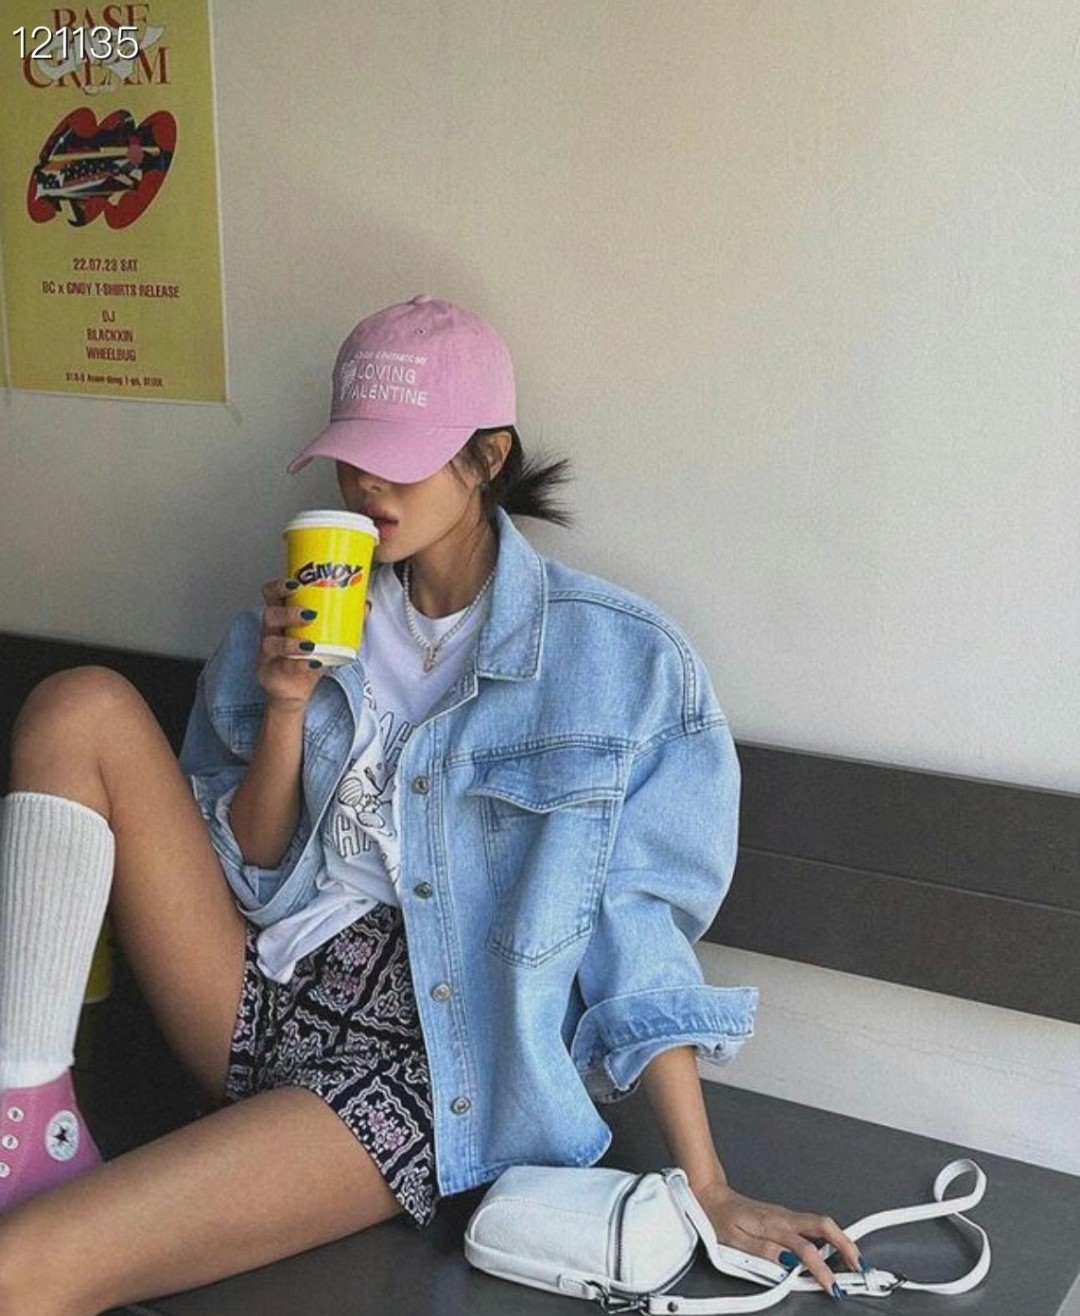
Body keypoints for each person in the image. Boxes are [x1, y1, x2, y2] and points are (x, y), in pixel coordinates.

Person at [0, 295, 863, 1312]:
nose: (367, 483)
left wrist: (707, 1184)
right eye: (353, 456)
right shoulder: (307, 617)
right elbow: (252, 875)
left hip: (431, 1065)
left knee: (22, 1267)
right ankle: (27, 1115)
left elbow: (637, 936)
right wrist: (286, 707)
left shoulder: (619, 665)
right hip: (260, 990)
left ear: (488, 457)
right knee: (81, 705)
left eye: (399, 458)